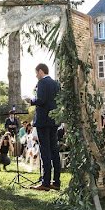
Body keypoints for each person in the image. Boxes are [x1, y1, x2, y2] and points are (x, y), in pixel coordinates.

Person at [28, 63, 62, 192]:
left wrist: (31, 100)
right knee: (54, 150)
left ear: (41, 71)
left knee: (45, 151)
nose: (36, 75)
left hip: (43, 121)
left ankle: (46, 182)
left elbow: (41, 100)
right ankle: (56, 182)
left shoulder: (42, 83)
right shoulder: (56, 84)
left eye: (36, 73)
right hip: (54, 121)